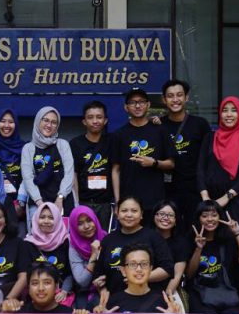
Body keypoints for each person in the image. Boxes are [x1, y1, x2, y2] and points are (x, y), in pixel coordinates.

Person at [93, 195, 174, 305]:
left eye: (134, 211)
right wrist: (102, 290)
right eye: (124, 210)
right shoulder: (108, 240)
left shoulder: (153, 237)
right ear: (117, 213)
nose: (129, 215)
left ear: (141, 214)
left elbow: (168, 268)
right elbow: (98, 273)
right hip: (115, 302)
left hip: (148, 302)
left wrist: (139, 278)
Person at [197, 96, 239, 243]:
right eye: (225, 110)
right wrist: (205, 197)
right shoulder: (209, 138)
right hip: (210, 202)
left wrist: (226, 198)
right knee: (209, 245)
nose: (229, 114)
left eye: (234, 110)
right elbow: (200, 169)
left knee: (238, 244)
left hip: (234, 201)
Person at [113, 88, 174, 213]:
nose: (137, 105)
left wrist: (154, 163)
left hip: (156, 201)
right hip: (129, 203)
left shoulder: (160, 131)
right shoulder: (119, 135)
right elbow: (116, 170)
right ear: (126, 107)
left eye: (141, 101)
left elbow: (171, 164)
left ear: (148, 105)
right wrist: (118, 201)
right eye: (132, 102)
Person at [158, 79, 211, 224]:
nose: (175, 100)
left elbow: (209, 158)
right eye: (170, 96)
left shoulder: (201, 125)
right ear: (164, 99)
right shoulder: (158, 125)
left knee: (195, 230)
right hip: (166, 190)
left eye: (179, 95)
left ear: (186, 97)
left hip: (195, 189)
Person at [186, 201, 239, 314]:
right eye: (205, 216)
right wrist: (198, 248)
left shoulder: (227, 239)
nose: (210, 219)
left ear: (220, 217)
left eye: (214, 215)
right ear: (199, 219)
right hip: (201, 295)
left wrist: (237, 233)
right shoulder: (190, 239)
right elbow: (189, 274)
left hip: (226, 293)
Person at [21, 105, 75, 224]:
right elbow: (28, 178)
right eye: (45, 120)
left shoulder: (63, 145)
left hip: (63, 200)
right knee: (38, 240)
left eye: (54, 122)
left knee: (65, 238)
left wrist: (60, 198)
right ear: (38, 121)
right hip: (37, 202)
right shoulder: (28, 148)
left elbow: (69, 173)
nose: (49, 125)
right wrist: (40, 203)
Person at [93, 244, 183, 314]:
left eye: (144, 264)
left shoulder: (164, 303)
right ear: (123, 270)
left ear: (151, 268)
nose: (139, 269)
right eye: (132, 264)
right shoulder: (112, 303)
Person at [70, 100, 117, 231]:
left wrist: (118, 202)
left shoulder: (112, 141)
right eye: (90, 117)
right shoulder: (75, 144)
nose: (95, 121)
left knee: (104, 239)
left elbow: (116, 170)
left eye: (99, 117)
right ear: (84, 121)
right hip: (84, 202)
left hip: (105, 203)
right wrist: (76, 203)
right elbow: (74, 174)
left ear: (105, 120)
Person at [24, 202, 73, 303]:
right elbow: (25, 275)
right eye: (42, 217)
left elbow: (69, 273)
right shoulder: (28, 244)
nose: (46, 221)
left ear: (58, 220)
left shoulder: (66, 241)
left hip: (60, 293)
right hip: (36, 294)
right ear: (36, 219)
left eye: (51, 218)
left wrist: (64, 291)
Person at [68, 205, 107, 309]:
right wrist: (94, 256)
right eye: (80, 224)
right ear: (74, 227)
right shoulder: (74, 247)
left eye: (89, 220)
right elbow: (82, 281)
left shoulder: (107, 239)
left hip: (107, 289)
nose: (86, 226)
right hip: (84, 292)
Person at [1, 264, 76, 314]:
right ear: (28, 288)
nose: (41, 288)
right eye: (35, 283)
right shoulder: (19, 313)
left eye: (47, 283)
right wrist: (6, 313)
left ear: (56, 287)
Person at [152, 199, 191, 297]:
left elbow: (177, 275)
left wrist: (166, 298)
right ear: (154, 216)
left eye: (170, 215)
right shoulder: (145, 237)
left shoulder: (181, 243)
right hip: (143, 286)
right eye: (161, 214)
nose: (165, 218)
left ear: (176, 220)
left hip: (169, 289)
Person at [0, 107, 24, 199]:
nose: (6, 125)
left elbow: (27, 179)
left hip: (17, 203)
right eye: (2, 121)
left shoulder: (24, 148)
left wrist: (20, 201)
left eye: (11, 122)